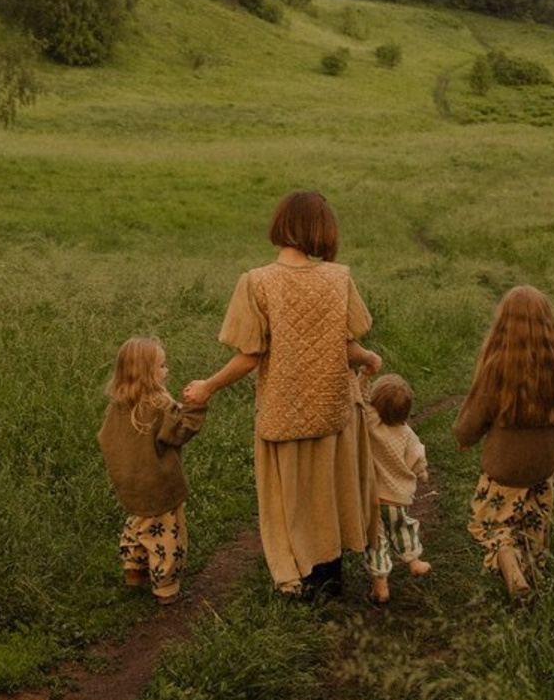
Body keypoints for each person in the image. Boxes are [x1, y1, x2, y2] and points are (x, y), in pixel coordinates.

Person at [183, 190, 381, 600]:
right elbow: (347, 345)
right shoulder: (338, 277)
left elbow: (251, 355)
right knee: (328, 490)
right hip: (332, 408)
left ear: (282, 226)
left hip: (283, 409)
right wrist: (368, 357)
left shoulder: (257, 282)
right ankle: (330, 578)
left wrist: (207, 386)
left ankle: (299, 579)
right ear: (323, 229)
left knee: (290, 499)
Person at [453, 285, 554, 598]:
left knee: (493, 525)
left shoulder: (497, 367)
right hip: (542, 469)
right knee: (534, 526)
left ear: (503, 325)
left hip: (504, 471)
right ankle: (528, 570)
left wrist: (465, 438)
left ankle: (508, 562)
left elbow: (472, 420)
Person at [98, 336, 207, 606]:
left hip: (131, 484)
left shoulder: (118, 406)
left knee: (138, 523)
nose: (166, 370)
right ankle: (166, 589)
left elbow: (105, 438)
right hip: (159, 483)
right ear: (147, 373)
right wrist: (196, 406)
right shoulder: (159, 405)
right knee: (166, 536)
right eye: (161, 366)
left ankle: (134, 571)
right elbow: (181, 432)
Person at [363, 372, 431, 604]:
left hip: (371, 496)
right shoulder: (408, 435)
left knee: (376, 540)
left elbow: (361, 399)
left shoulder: (370, 424)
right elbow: (418, 459)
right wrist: (423, 474)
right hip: (396, 497)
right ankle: (414, 561)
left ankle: (380, 587)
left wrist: (364, 376)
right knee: (403, 527)